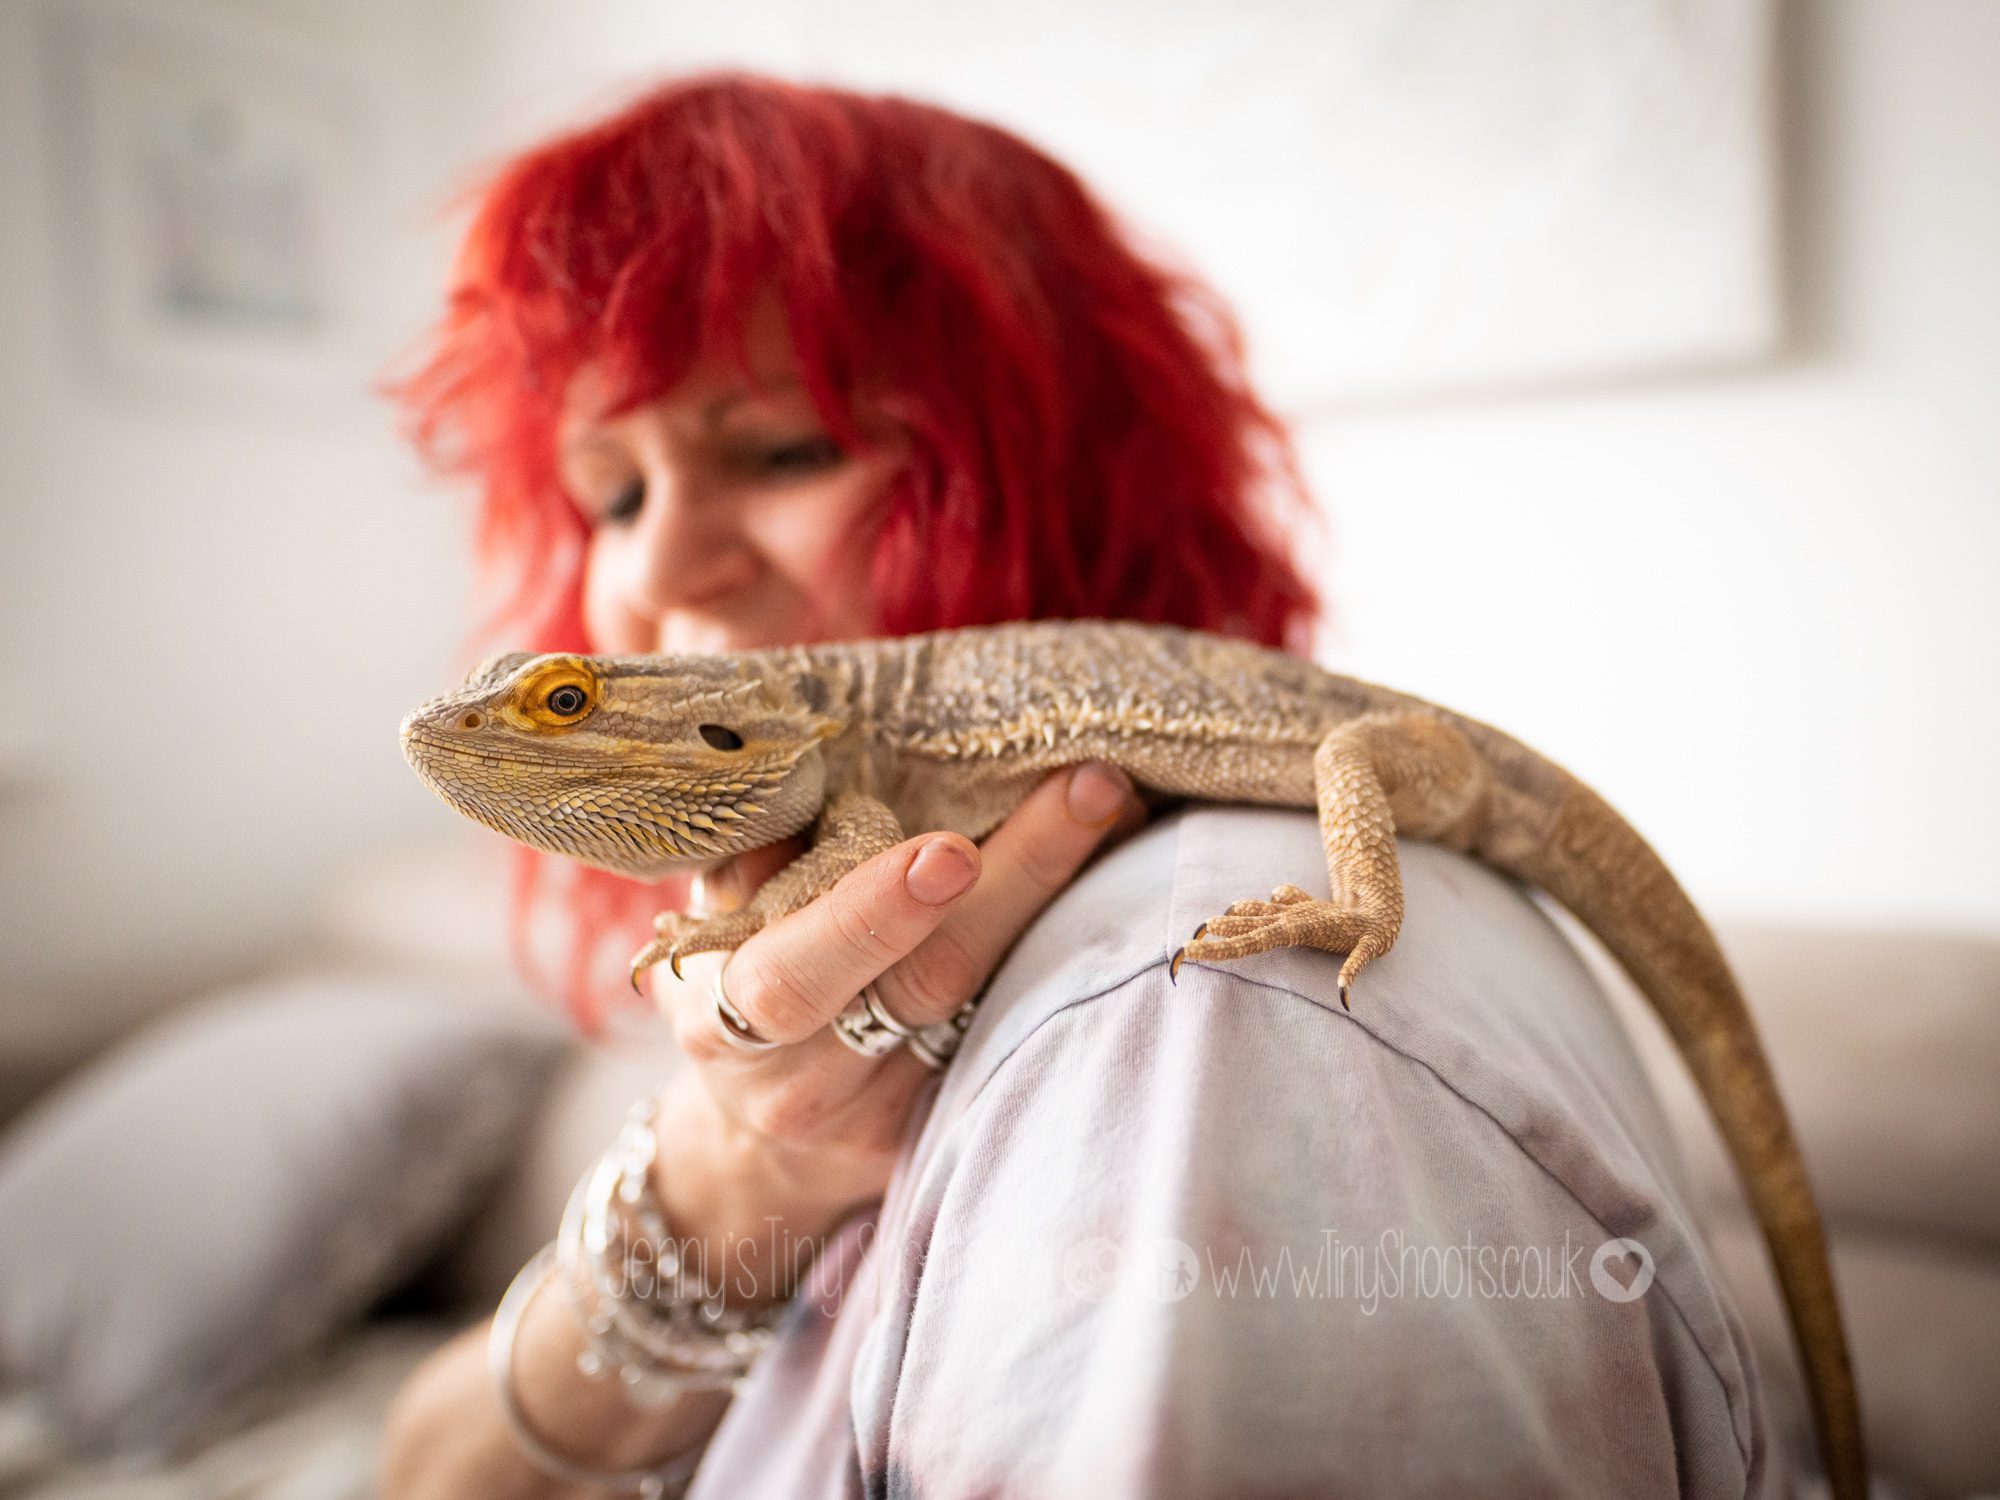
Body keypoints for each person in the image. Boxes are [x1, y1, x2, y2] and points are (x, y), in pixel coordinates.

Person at [379, 74, 1793, 1499]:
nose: (652, 569)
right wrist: (723, 1181)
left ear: (1038, 459)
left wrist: (1353, 906)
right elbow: (418, 1476)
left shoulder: (1198, 1010)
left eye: (785, 447)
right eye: (608, 493)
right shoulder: (878, 893)